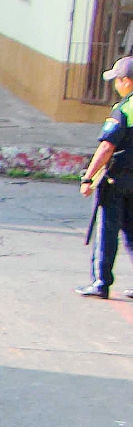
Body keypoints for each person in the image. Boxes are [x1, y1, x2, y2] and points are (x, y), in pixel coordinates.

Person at [78, 57, 133, 299]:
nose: (115, 86)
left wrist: (88, 178)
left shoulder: (123, 110)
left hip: (117, 180)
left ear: (127, 82)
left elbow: (107, 147)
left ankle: (101, 282)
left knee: (107, 231)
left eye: (117, 81)